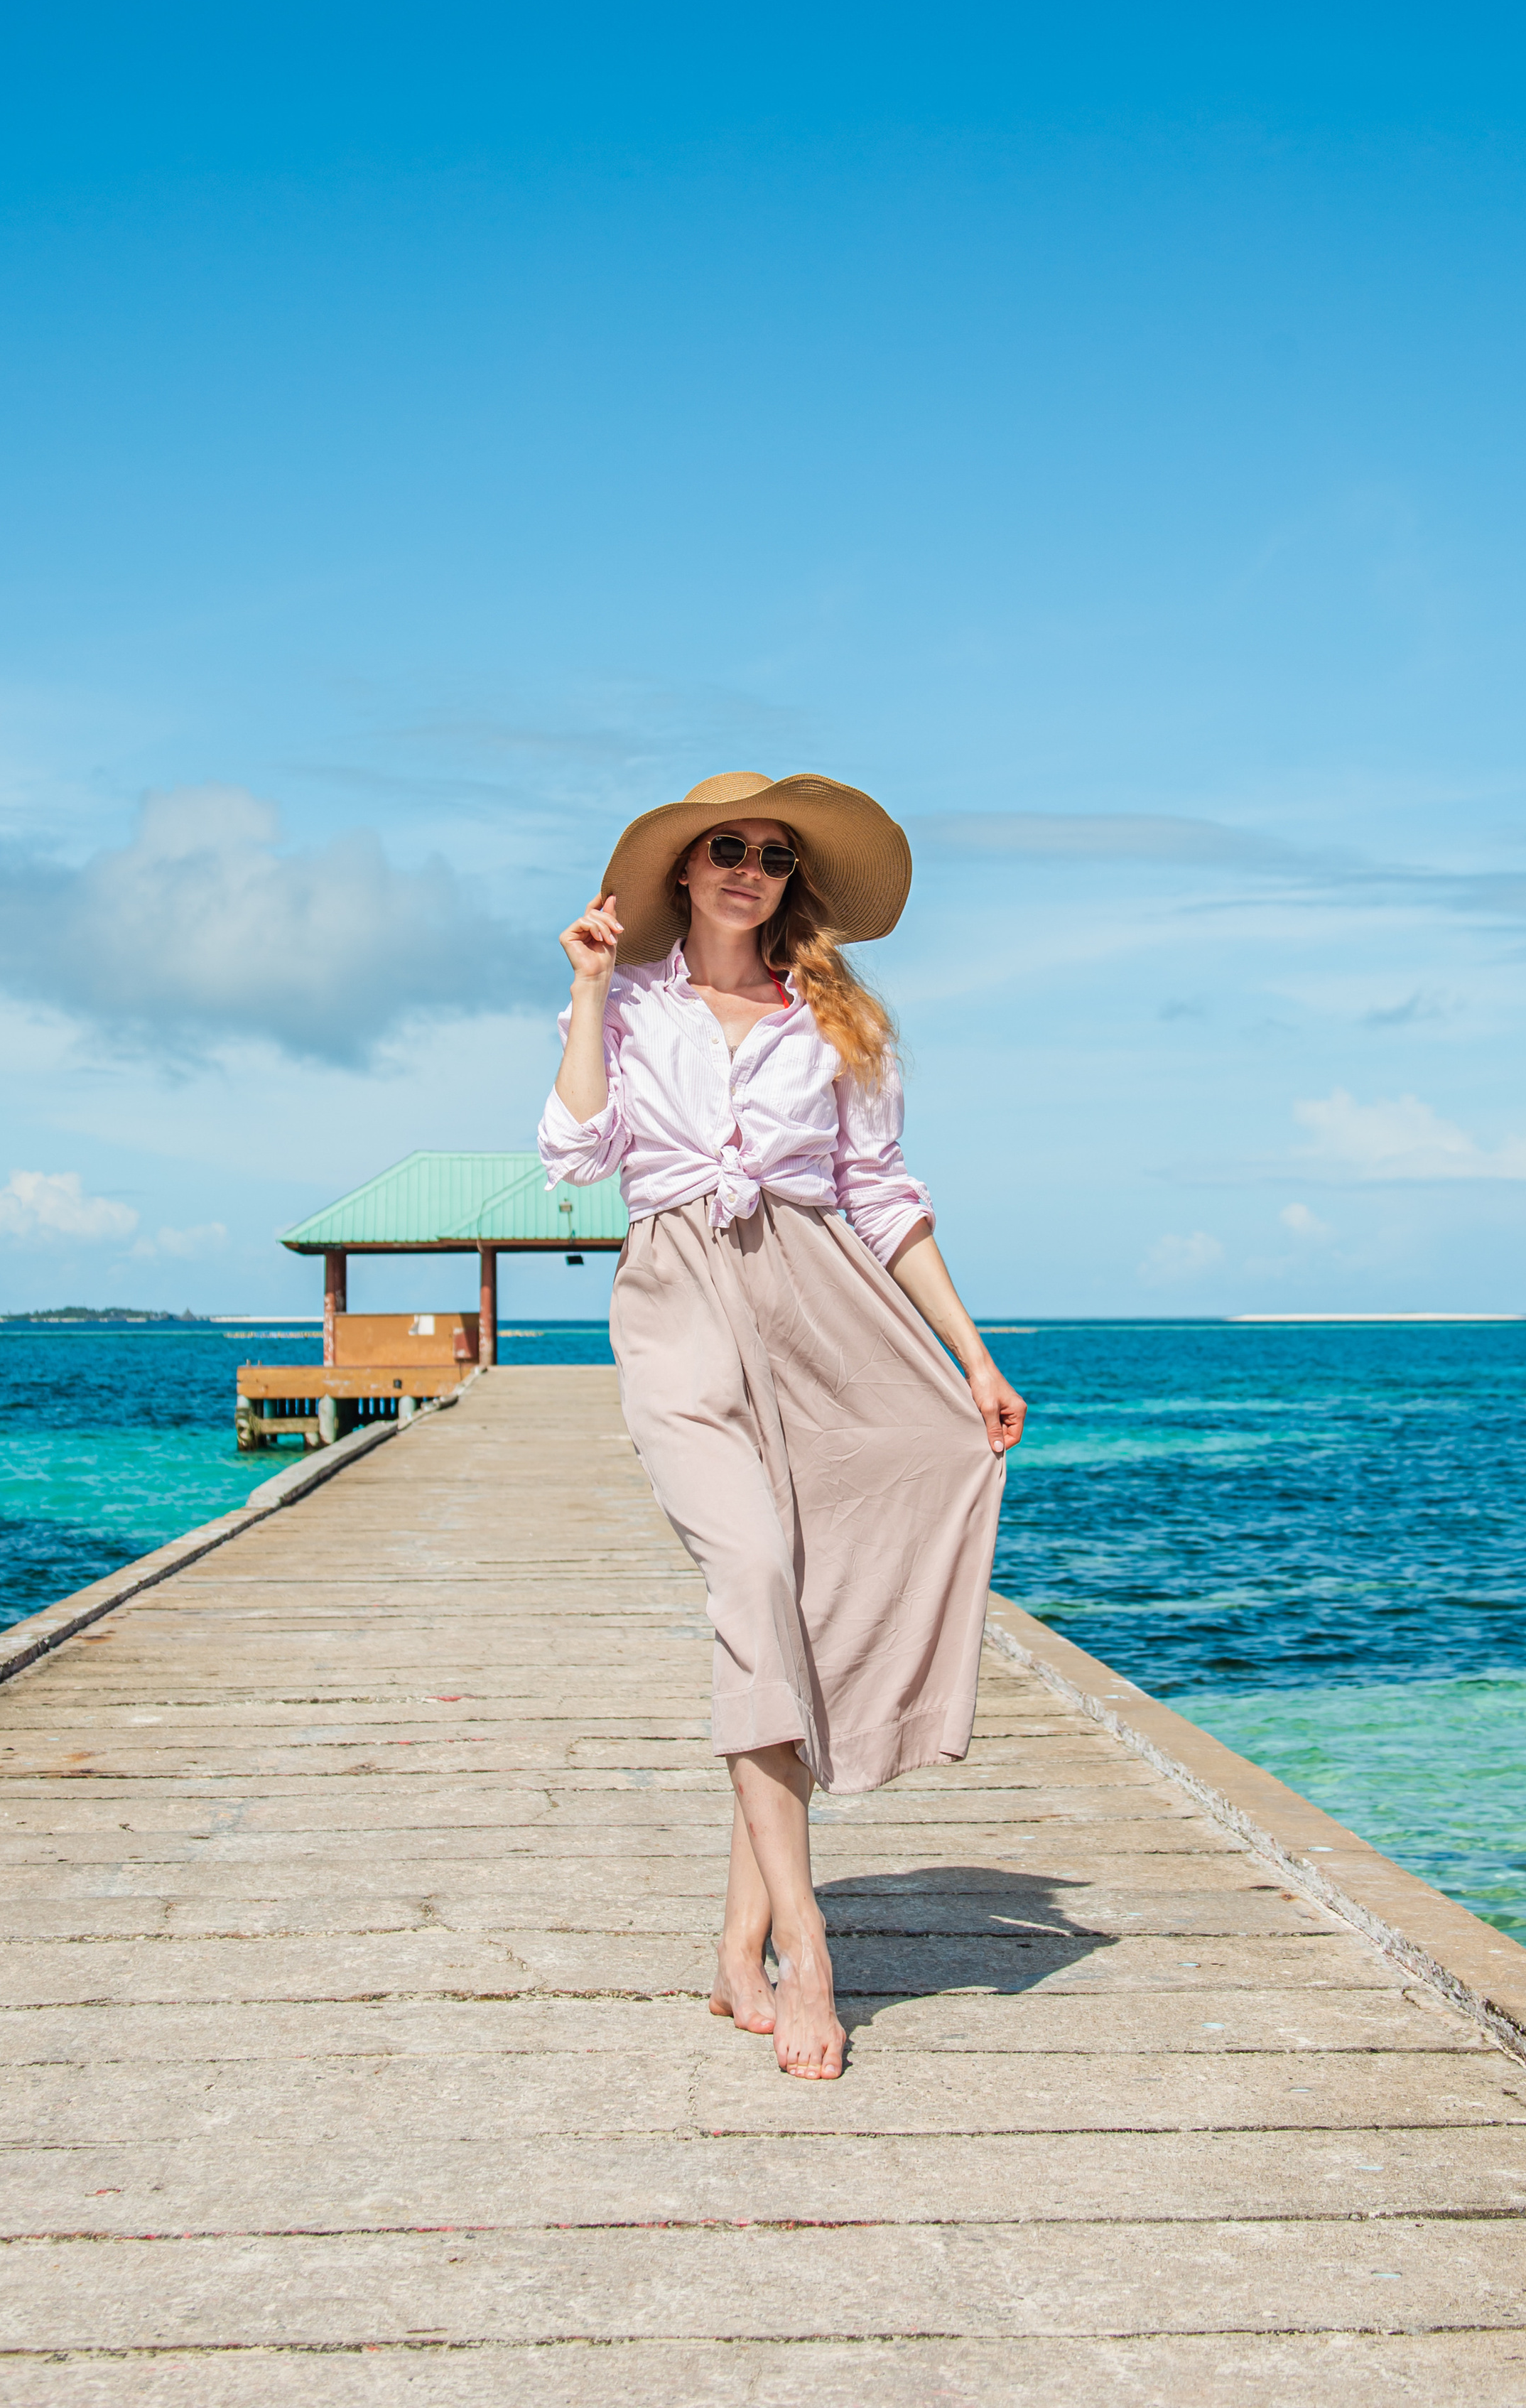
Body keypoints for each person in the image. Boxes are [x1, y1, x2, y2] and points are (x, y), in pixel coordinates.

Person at [538, 771, 1025, 2081]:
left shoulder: (836, 1018)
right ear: (682, 875)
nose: (748, 866)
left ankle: (736, 1931)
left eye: (769, 852)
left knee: (800, 1610)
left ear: (787, 879)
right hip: (681, 1306)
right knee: (753, 1577)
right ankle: (807, 1941)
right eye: (723, 849)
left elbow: (884, 1196)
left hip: (827, 1309)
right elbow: (577, 1156)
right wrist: (586, 989)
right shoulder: (632, 1007)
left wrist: (968, 1357)